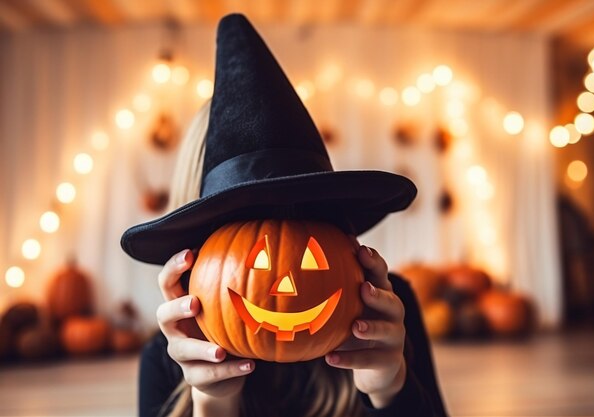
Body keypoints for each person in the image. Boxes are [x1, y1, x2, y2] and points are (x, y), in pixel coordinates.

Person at [122, 14, 448, 417]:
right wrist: (213, 404)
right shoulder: (164, 358)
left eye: (300, 210)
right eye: (245, 225)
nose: (288, 285)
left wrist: (389, 387)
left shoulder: (383, 313)